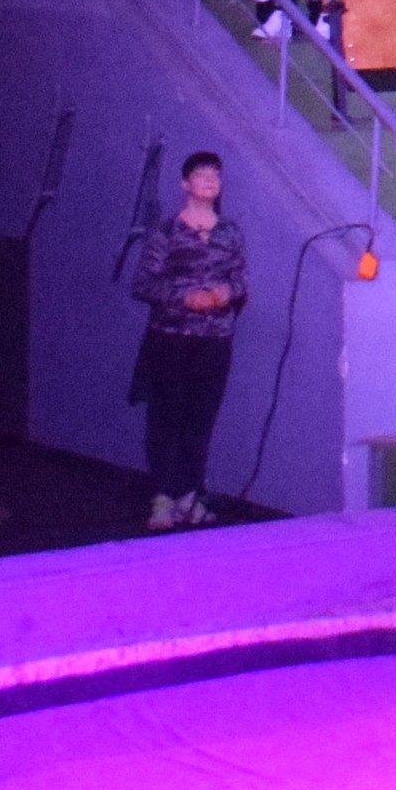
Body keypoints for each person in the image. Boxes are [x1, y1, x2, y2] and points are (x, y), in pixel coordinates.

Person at [121, 151, 247, 532]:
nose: (210, 180)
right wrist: (183, 298)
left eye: (216, 175)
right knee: (166, 418)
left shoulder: (230, 232)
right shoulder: (167, 233)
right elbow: (143, 283)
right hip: (171, 340)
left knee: (200, 420)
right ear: (185, 184)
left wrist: (226, 292)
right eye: (201, 174)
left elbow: (242, 282)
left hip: (214, 342)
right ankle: (163, 496)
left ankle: (191, 494)